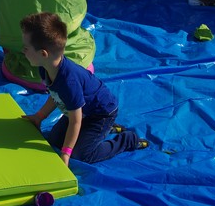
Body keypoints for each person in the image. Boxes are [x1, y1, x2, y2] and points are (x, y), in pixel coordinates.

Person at [19, 12, 148, 164]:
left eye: (26, 48)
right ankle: (104, 130)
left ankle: (126, 140)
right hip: (83, 111)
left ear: (43, 53)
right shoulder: (45, 67)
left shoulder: (69, 82)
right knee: (54, 140)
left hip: (100, 114)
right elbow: (56, 94)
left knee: (80, 155)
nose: (23, 51)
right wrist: (40, 116)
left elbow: (75, 121)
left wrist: (66, 153)